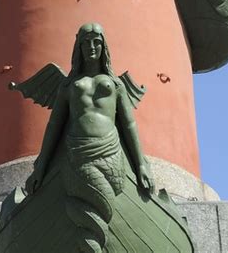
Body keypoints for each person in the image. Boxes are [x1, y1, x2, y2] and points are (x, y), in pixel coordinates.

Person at [24, 23, 154, 252]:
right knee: (91, 211)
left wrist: (141, 164)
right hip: (77, 155)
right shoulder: (69, 86)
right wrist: (40, 167)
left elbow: (128, 124)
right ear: (78, 47)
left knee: (99, 207)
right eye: (86, 42)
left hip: (111, 154)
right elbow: (54, 126)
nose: (91, 47)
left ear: (104, 47)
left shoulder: (116, 85)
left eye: (97, 42)